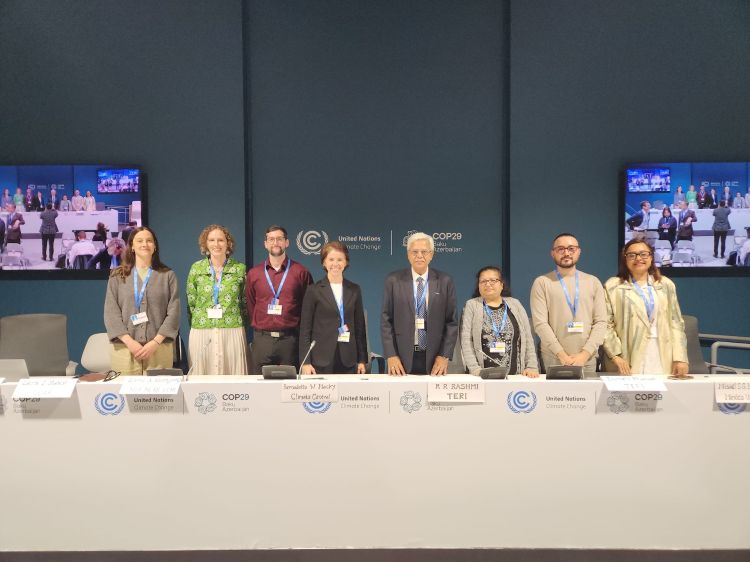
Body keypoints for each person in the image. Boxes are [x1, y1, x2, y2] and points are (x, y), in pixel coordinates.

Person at [602, 239, 689, 376]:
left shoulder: (666, 285)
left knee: (661, 395)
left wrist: (680, 358)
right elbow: (606, 324)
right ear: (625, 259)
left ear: (651, 257)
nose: (638, 258)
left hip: (662, 352)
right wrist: (616, 356)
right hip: (627, 355)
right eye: (632, 255)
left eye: (643, 254)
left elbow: (676, 323)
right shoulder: (613, 286)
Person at [103, 227, 180, 375]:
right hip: (125, 349)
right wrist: (130, 343)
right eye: (140, 241)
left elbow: (174, 313)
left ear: (155, 246)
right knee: (125, 397)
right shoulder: (117, 276)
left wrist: (155, 343)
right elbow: (111, 313)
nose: (145, 244)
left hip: (159, 349)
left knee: (159, 397)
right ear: (132, 246)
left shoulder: (167, 275)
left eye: (149, 241)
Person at [381, 231, 458, 376]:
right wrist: (391, 355)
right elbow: (386, 321)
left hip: (435, 359)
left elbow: (451, 322)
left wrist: (444, 355)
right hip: (400, 359)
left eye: (424, 251)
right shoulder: (393, 280)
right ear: (408, 254)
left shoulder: (445, 281)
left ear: (431, 254)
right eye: (415, 251)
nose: (419, 256)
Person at [530, 233, 607, 373]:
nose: (566, 253)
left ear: (578, 251)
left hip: (587, 360)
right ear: (552, 253)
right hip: (553, 358)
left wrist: (585, 354)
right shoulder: (542, 282)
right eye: (560, 249)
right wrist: (561, 354)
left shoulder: (593, 282)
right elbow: (540, 324)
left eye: (571, 248)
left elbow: (601, 322)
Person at [245, 225, 313, 374]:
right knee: (259, 387)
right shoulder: (254, 274)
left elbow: (307, 308)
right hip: (262, 340)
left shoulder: (301, 272)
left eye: (279, 239)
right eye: (271, 239)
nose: (275, 242)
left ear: (287, 243)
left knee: (289, 390)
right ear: (265, 244)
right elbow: (251, 305)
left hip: (289, 341)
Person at [186, 224, 248, 375]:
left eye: (220, 240)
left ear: (228, 244)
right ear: (205, 244)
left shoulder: (239, 269)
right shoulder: (196, 268)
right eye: (211, 240)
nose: (216, 244)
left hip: (232, 330)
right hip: (202, 330)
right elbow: (191, 302)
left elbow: (245, 301)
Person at [299, 241, 367, 375]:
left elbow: (360, 328)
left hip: (348, 358)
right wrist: (306, 361)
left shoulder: (354, 290)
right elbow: (305, 329)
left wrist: (362, 360)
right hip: (320, 359)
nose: (335, 263)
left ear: (346, 262)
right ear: (324, 262)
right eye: (331, 259)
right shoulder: (314, 290)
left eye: (340, 259)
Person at [460, 266, 538, 377]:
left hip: (515, 376)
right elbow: (466, 341)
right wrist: (475, 370)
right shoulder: (472, 305)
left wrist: (531, 366)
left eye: (493, 280)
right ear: (478, 286)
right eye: (483, 281)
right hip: (482, 376)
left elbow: (528, 339)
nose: (488, 284)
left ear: (501, 285)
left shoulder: (515, 304)